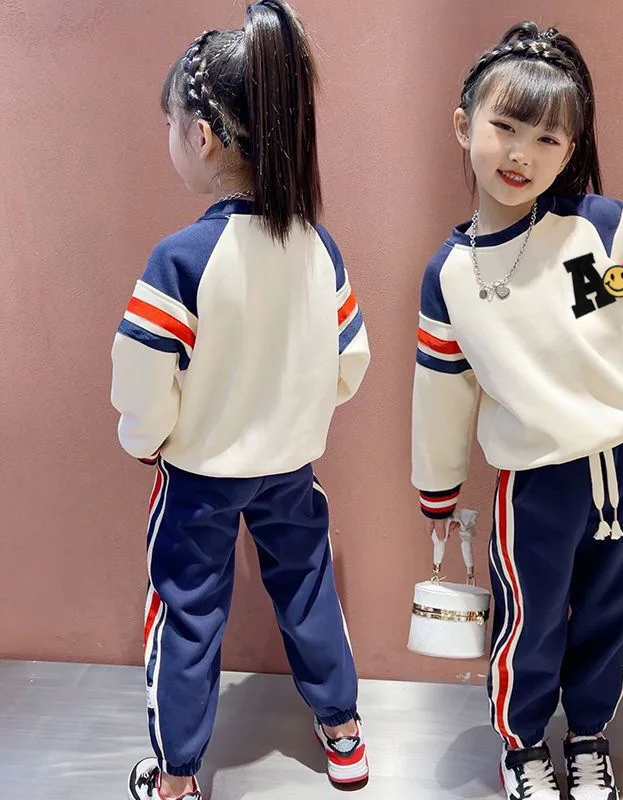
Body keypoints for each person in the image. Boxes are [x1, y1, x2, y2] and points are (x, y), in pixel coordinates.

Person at [411, 20, 623, 800]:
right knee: (530, 619)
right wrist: (438, 492)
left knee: (612, 612)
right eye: (505, 126)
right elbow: (442, 389)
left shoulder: (598, 231)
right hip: (534, 484)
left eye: (547, 138)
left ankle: (589, 735)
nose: (521, 153)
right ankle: (522, 746)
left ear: (571, 149)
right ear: (464, 125)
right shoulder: (449, 276)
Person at [112, 3, 370, 797]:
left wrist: (147, 439)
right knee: (308, 586)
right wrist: (294, 417)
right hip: (290, 468)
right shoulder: (316, 245)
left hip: (197, 476)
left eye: (170, 124)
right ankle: (345, 734)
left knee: (188, 614)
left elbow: (141, 379)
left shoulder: (180, 259)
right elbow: (351, 359)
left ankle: (177, 778)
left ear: (202, 136)